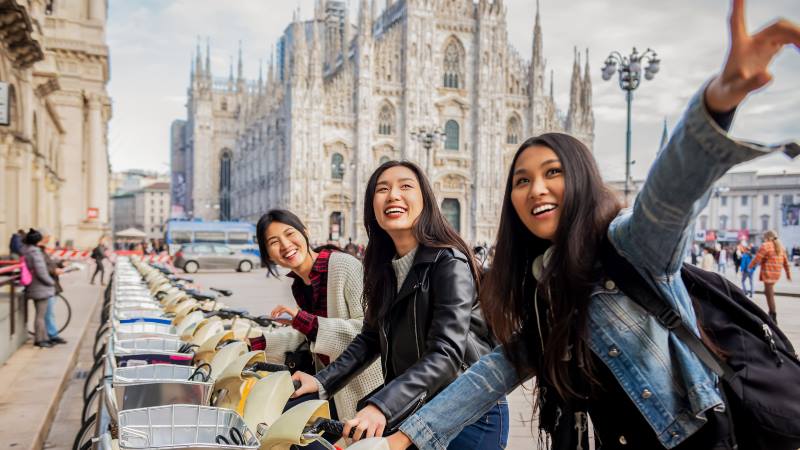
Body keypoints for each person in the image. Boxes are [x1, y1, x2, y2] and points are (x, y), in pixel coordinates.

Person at [379, 3, 799, 449]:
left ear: (582, 179)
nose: (536, 189)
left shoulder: (632, 247)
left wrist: (717, 104)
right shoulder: (545, 289)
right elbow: (495, 371)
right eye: (522, 180)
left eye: (553, 173)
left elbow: (669, 198)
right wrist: (401, 438)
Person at [292, 160, 505, 448]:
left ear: (426, 200)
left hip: (468, 410)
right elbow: (369, 338)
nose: (393, 195)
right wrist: (322, 383)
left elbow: (447, 352)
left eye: (406, 186)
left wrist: (382, 405)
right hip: (419, 404)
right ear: (372, 206)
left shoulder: (448, 261)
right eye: (382, 189)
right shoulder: (385, 267)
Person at [255, 209, 383, 424]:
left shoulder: (344, 265)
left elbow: (368, 332)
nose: (286, 245)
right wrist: (256, 344)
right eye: (274, 242)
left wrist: (303, 320)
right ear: (268, 254)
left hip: (366, 387)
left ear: (305, 232)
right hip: (330, 383)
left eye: (289, 234)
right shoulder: (299, 285)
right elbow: (311, 337)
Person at [21, 229, 57, 348]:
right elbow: (41, 271)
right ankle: (39, 339)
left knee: (40, 314)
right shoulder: (35, 252)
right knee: (41, 315)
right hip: (40, 287)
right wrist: (51, 282)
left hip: (34, 285)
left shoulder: (26, 250)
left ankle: (44, 337)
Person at [750, 230, 792, 324]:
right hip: (776, 272)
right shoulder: (781, 246)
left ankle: (773, 315)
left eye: (764, 237)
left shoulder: (766, 245)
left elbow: (757, 258)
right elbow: (786, 262)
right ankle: (772, 314)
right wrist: (788, 274)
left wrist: (749, 267)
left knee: (769, 294)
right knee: (768, 292)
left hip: (768, 272)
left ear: (768, 237)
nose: (764, 239)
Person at [39, 229, 67, 345]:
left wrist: (59, 264)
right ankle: (50, 335)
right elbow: (41, 268)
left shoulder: (42, 250)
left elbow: (48, 264)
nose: (49, 239)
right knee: (48, 313)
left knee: (49, 313)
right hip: (47, 286)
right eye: (48, 237)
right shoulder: (37, 251)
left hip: (51, 285)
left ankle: (51, 334)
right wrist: (54, 270)